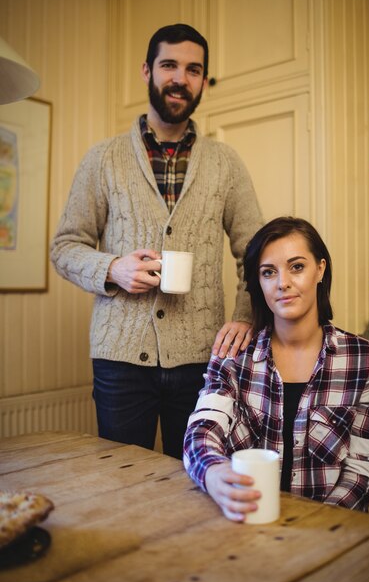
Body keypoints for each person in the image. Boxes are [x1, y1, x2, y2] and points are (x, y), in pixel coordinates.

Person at [50, 24, 263, 460]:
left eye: (193, 69)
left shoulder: (226, 164)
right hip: (120, 360)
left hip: (203, 359)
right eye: (169, 65)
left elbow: (256, 251)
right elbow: (65, 246)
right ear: (147, 70)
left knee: (198, 481)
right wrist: (113, 269)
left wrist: (245, 317)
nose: (180, 78)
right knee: (123, 483)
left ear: (203, 80)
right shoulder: (102, 159)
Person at [184, 217, 369, 520]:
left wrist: (319, 525)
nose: (283, 283)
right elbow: (201, 432)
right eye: (268, 272)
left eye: (297, 267)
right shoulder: (234, 355)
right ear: (258, 283)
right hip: (245, 525)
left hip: (328, 535)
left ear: (320, 269)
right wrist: (212, 472)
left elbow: (360, 470)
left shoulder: (363, 359)